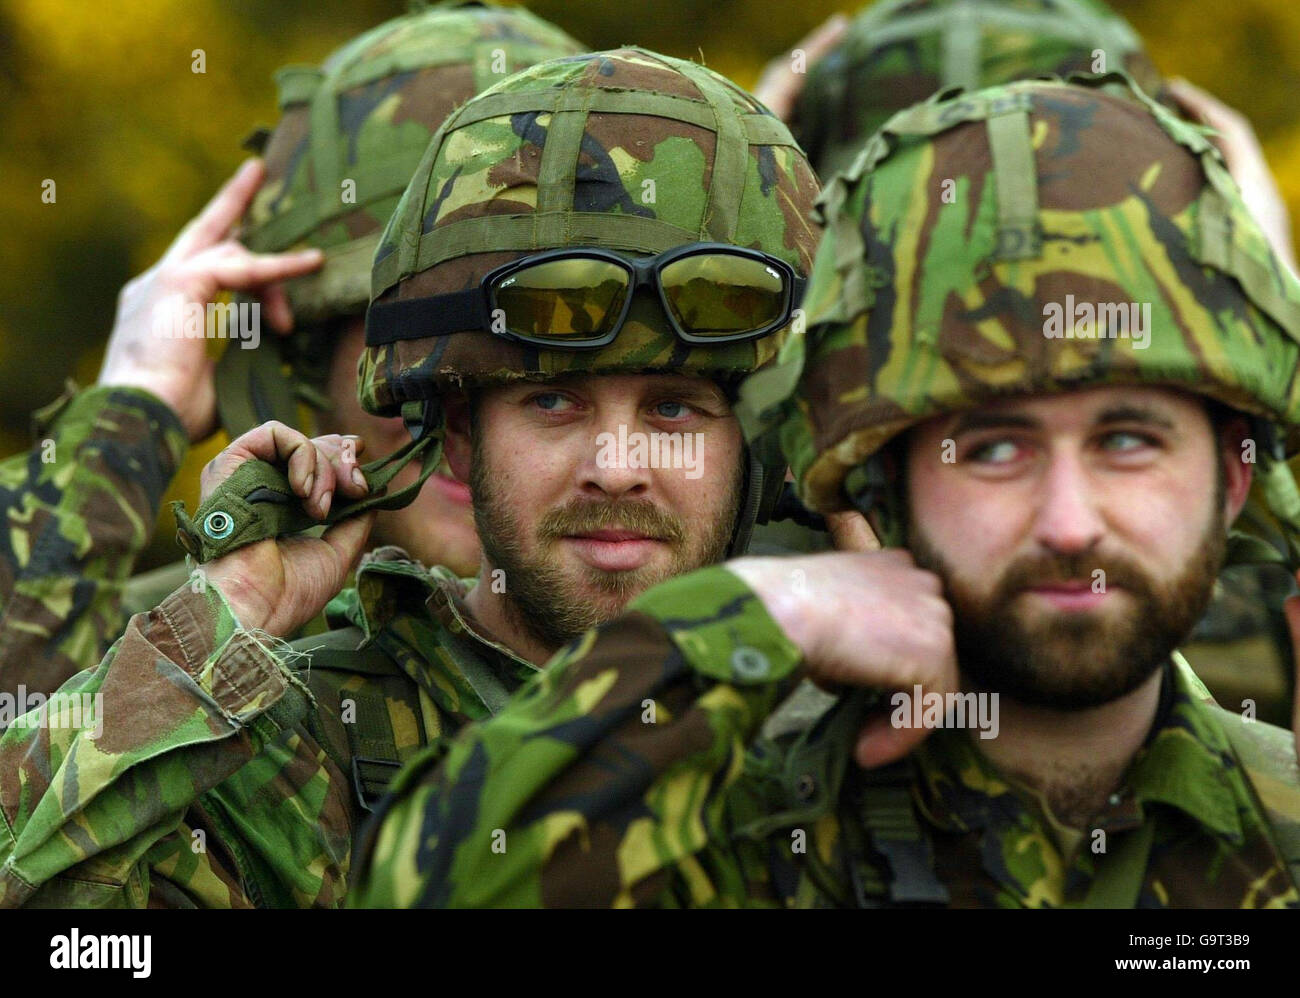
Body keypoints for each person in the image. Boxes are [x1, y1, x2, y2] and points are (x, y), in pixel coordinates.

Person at [347, 74, 1300, 908]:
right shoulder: (729, 812)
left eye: (1128, 442)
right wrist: (751, 617)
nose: (1066, 521)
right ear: (882, 480)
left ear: (1232, 476)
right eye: (996, 451)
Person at [0, 46, 824, 908]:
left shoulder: (832, 745)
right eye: (552, 403)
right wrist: (219, 624)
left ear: (754, 444)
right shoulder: (295, 746)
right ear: (458, 435)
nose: (617, 471)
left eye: (675, 409)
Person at [0, 0, 585, 702]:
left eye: (537, 333)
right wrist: (130, 417)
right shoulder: (186, 652)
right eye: (417, 340)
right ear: (308, 359)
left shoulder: (730, 646)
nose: (468, 404)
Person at [753, 0, 1299, 726]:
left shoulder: (1228, 530)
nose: (1069, 524)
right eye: (913, 231)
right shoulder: (742, 510)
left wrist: (1260, 292)